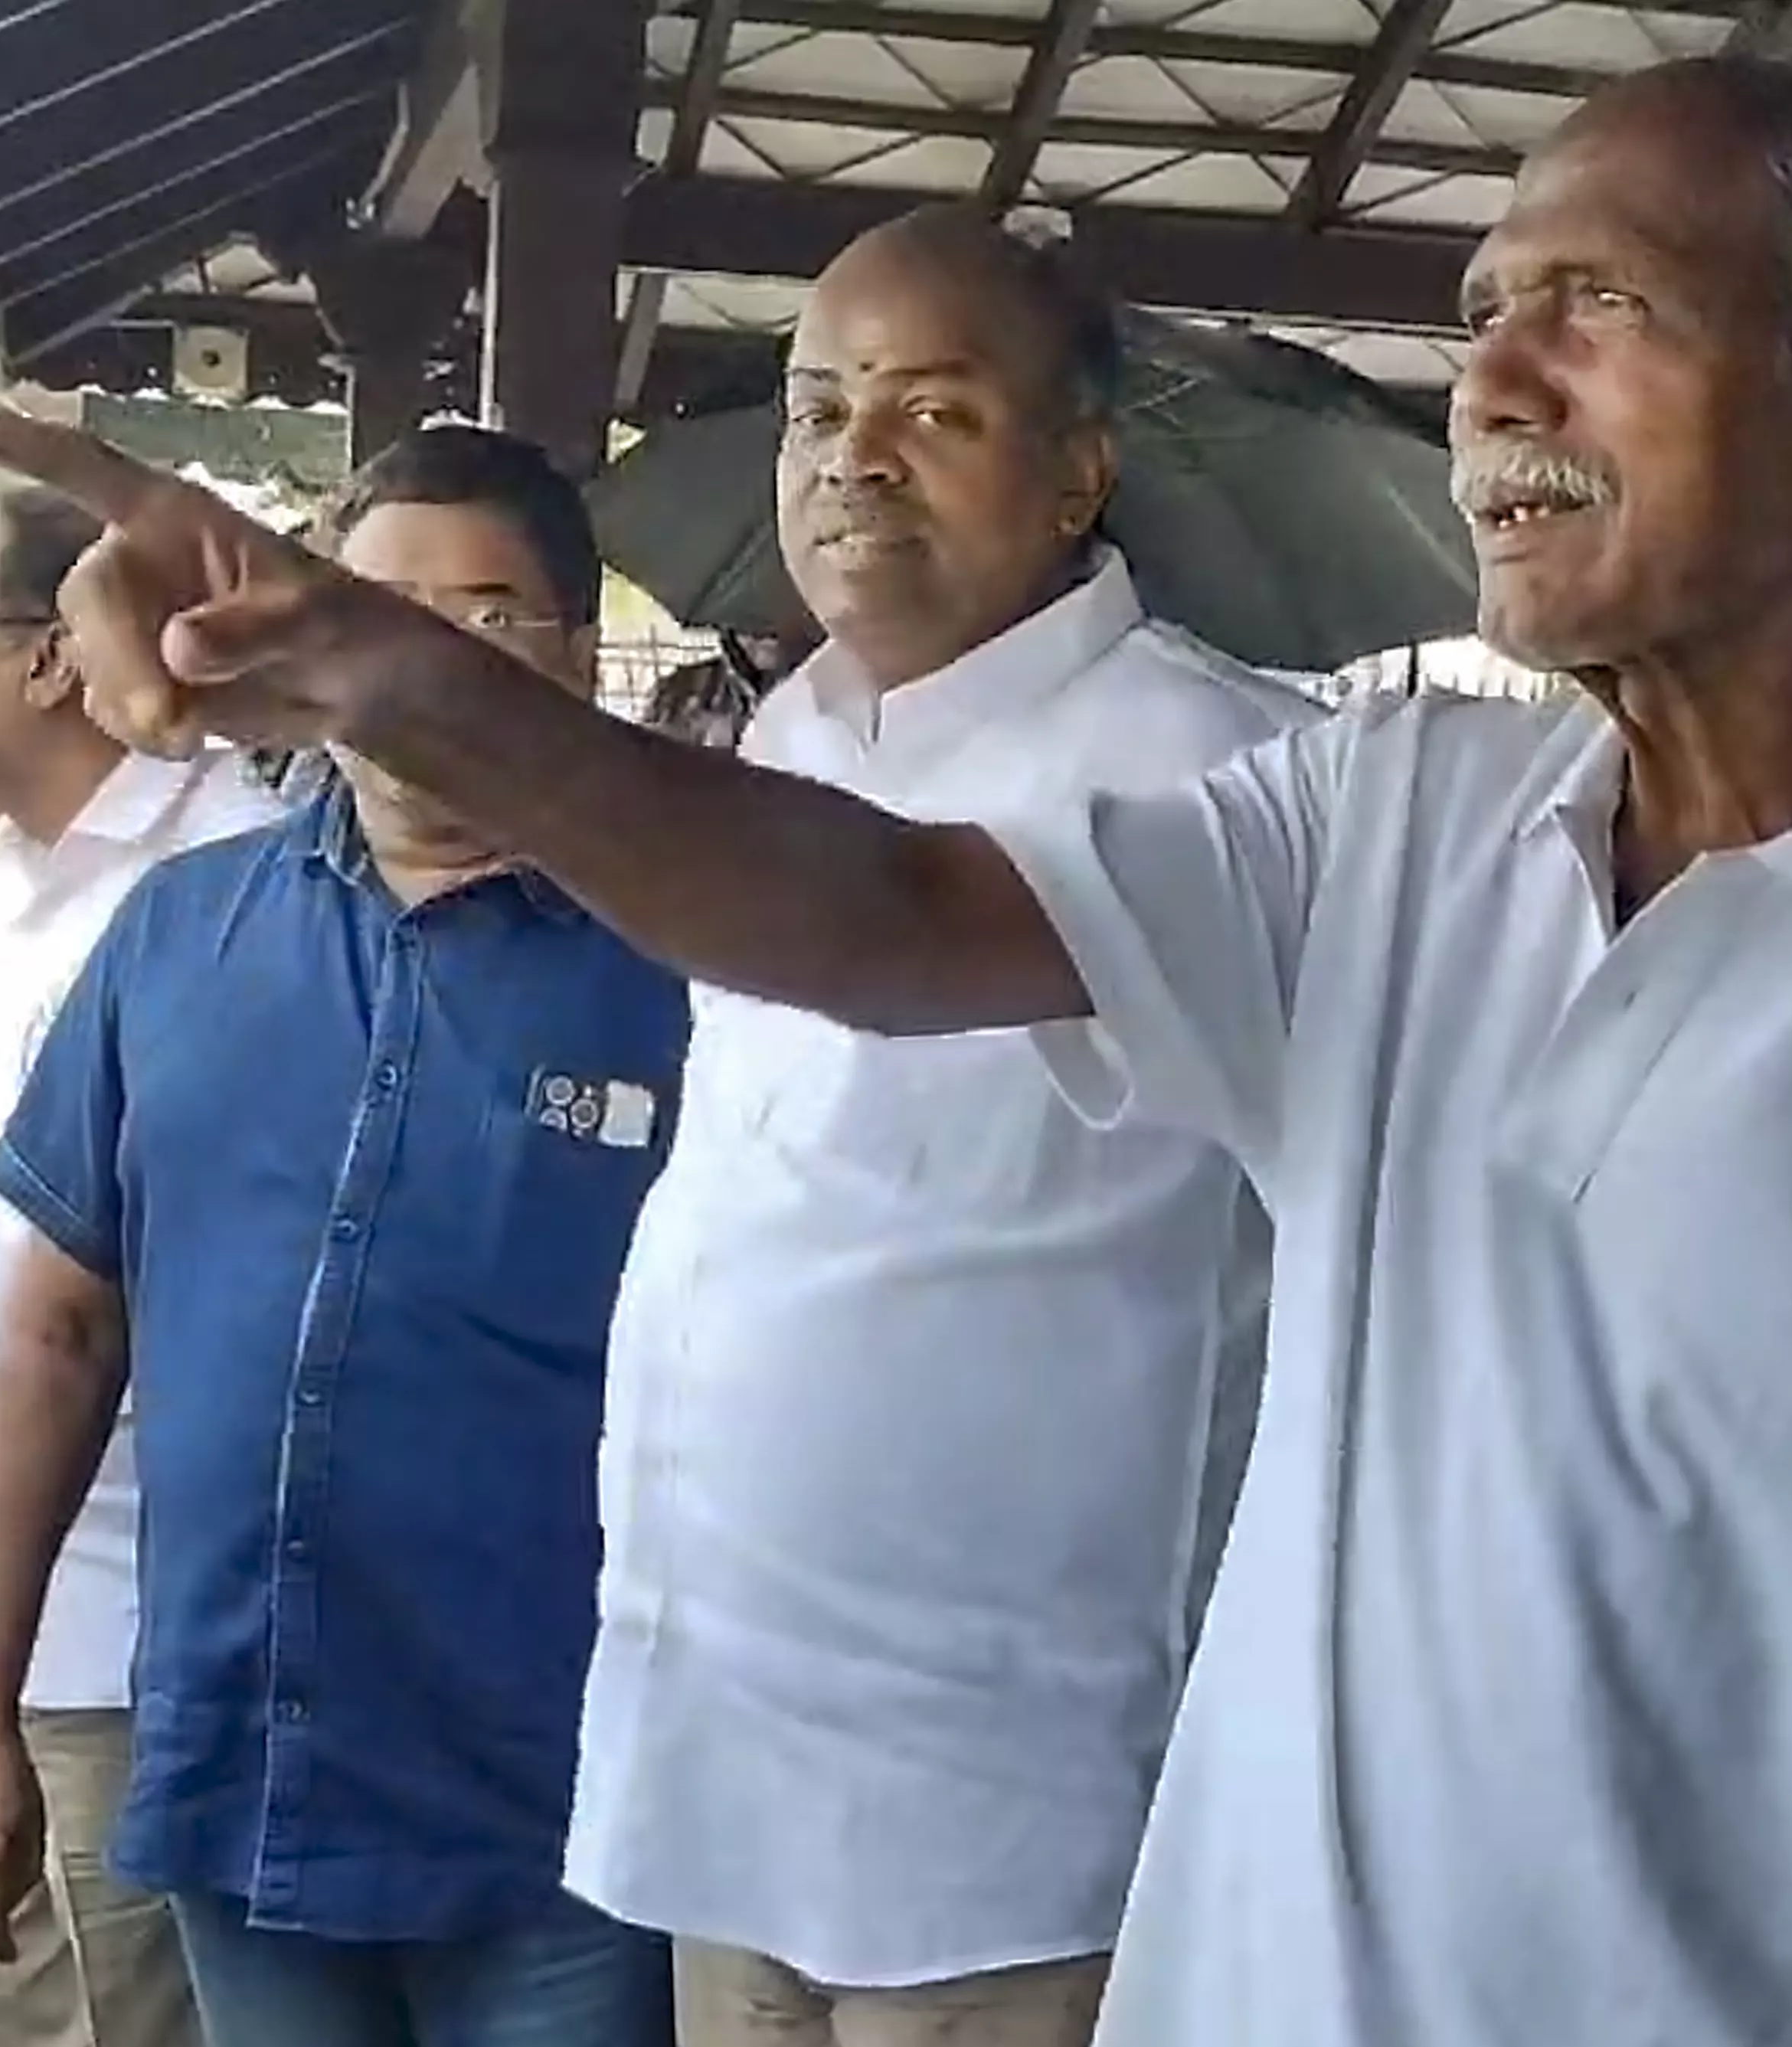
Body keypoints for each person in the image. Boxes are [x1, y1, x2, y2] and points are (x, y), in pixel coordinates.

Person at [0, 45, 1792, 2047]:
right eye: (1482, 304)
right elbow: (879, 918)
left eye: (1595, 307)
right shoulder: (1415, 817)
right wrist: (378, 667)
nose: (1489, 376)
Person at [565, 204, 1301, 2047]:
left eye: (933, 411)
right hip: (727, 1738)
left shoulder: (1228, 776)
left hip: (1011, 1807)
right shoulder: (791, 746)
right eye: (818, 410)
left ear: (1079, 475)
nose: (850, 460)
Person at [0, 424, 688, 2047]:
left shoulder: (689, 967)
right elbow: (55, 1334)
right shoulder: (181, 933)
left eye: (480, 618)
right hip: (249, 1786)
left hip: (577, 1826)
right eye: (369, 606)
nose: (412, 661)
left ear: (582, 658)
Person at [0, 479, 282, 2047]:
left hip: (102, 1648)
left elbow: (123, 1321)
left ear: (51, 657)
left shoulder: (216, 887)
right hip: (4, 1639)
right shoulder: (46, 870)